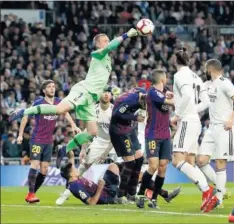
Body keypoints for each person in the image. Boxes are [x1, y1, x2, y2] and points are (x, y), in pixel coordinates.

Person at [9, 28, 139, 154]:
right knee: (60, 109)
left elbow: (99, 78)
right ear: (98, 44)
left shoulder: (107, 60)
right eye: (105, 40)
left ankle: (64, 150)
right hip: (83, 90)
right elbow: (110, 47)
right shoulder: (97, 54)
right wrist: (126, 35)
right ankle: (23, 111)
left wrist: (108, 90)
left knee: (92, 132)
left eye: (108, 40)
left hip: (91, 97)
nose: (108, 42)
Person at [16, 80, 80, 203]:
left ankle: (32, 193)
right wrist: (20, 135)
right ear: (44, 90)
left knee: (44, 169)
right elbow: (25, 116)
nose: (52, 89)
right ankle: (30, 194)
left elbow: (65, 113)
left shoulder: (58, 102)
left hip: (49, 141)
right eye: (49, 87)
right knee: (34, 164)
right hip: (37, 139)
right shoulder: (38, 103)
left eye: (53, 86)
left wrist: (73, 125)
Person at [197, 59, 234, 212]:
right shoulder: (206, 85)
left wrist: (231, 119)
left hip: (225, 127)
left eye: (205, 68)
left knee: (220, 163)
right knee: (201, 160)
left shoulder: (225, 83)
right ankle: (221, 189)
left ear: (210, 69)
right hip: (211, 128)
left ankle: (218, 198)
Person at [170, 48, 213, 212]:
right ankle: (207, 194)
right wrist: (192, 110)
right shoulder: (196, 76)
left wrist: (178, 115)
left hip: (187, 121)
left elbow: (187, 96)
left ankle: (207, 191)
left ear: (175, 61)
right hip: (195, 121)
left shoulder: (179, 75)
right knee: (189, 162)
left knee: (177, 160)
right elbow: (206, 102)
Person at [56, 87, 114, 205]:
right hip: (99, 141)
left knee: (123, 165)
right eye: (104, 91)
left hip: (114, 142)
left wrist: (106, 152)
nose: (106, 94)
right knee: (82, 167)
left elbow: (116, 133)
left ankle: (130, 194)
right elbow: (88, 131)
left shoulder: (114, 111)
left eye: (108, 92)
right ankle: (66, 193)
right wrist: (83, 149)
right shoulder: (93, 110)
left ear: (111, 95)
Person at [136, 69, 180, 209]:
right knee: (153, 166)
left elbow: (169, 96)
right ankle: (141, 194)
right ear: (162, 79)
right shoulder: (152, 92)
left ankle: (154, 199)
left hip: (165, 135)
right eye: (166, 78)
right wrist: (177, 98)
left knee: (162, 167)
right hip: (153, 134)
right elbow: (171, 101)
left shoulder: (164, 91)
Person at [109, 87, 146, 203]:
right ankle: (120, 195)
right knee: (130, 163)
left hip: (129, 129)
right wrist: (135, 117)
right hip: (119, 130)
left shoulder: (143, 93)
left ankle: (131, 193)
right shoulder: (130, 100)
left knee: (140, 160)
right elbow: (115, 115)